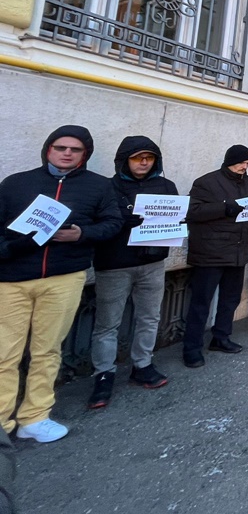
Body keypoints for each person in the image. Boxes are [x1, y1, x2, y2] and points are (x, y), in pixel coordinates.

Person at [0, 125, 122, 443]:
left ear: (85, 154)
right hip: (13, 279)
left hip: (64, 278)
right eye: (60, 147)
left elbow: (112, 223)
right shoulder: (16, 183)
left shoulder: (99, 186)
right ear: (48, 149)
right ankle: (1, 420)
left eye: (75, 149)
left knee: (47, 351)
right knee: (4, 354)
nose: (66, 153)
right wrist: (12, 247)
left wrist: (81, 234)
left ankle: (35, 417)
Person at [89, 136, 178, 411]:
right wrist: (119, 220)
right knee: (107, 323)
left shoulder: (166, 186)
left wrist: (176, 220)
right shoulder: (107, 187)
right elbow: (94, 221)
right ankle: (103, 374)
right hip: (115, 264)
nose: (143, 162)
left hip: (152, 263)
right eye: (137, 157)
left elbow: (175, 216)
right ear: (124, 161)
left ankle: (143, 364)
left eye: (149, 158)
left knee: (149, 317)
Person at [182, 144, 248, 368]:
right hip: (211, 253)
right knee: (201, 303)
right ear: (229, 161)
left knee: (230, 300)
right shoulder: (206, 182)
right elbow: (192, 211)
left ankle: (221, 337)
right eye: (241, 163)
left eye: (247, 164)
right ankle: (192, 348)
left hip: (238, 251)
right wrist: (224, 208)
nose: (244, 167)